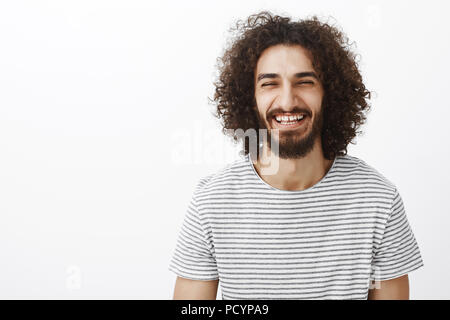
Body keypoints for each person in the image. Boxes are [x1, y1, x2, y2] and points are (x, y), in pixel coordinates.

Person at [168, 11, 424, 300]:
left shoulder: (378, 200)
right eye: (269, 83)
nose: (288, 101)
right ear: (249, 98)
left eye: (305, 82)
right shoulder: (211, 202)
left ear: (330, 94)